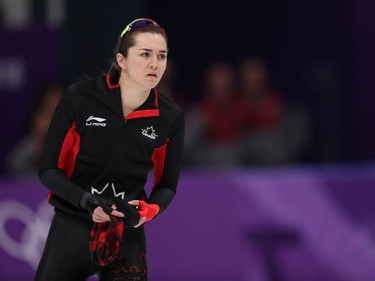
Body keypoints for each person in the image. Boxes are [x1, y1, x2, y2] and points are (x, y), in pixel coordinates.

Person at [34, 18, 185, 281]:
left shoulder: (170, 116)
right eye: (145, 54)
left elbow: (167, 186)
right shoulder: (79, 98)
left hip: (126, 230)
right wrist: (87, 201)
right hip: (73, 224)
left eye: (162, 56)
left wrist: (146, 212)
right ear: (122, 60)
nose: (155, 64)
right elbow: (49, 170)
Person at [5, 83, 63, 176]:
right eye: (48, 113)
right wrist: (36, 143)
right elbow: (14, 167)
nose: (52, 121)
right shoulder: (33, 142)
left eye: (58, 113)